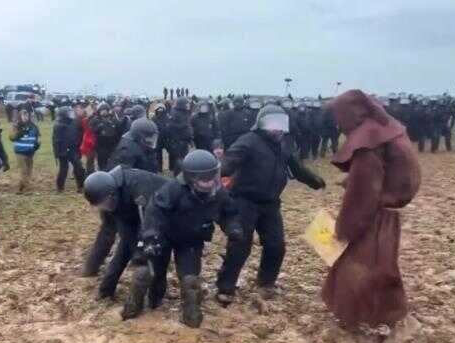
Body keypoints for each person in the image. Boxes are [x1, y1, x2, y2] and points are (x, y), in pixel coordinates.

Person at [323, 90, 421, 343]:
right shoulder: (384, 129)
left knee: (372, 269)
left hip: (376, 216)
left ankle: (400, 323)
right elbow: (390, 172)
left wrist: (344, 229)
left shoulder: (368, 145)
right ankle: (352, 317)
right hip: (386, 211)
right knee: (366, 266)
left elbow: (362, 195)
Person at [215, 104, 326, 304]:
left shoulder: (284, 145)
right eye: (272, 125)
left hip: (270, 204)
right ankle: (226, 287)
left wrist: (315, 181)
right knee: (240, 245)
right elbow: (229, 162)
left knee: (276, 245)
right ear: (261, 124)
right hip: (244, 201)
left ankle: (266, 283)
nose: (277, 129)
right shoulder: (248, 142)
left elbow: (297, 168)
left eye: (281, 125)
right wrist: (212, 177)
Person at [123, 150, 242, 328]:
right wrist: (151, 236)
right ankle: (139, 307)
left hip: (191, 240)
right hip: (164, 236)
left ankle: (191, 316)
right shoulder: (173, 189)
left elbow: (229, 213)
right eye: (204, 180)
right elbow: (155, 213)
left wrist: (233, 228)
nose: (209, 183)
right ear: (191, 178)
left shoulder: (219, 193)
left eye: (212, 177)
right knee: (150, 273)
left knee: (190, 280)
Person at [82, 167, 169, 298]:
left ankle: (155, 298)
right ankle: (105, 291)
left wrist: (140, 252)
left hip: (162, 213)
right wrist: (91, 266)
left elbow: (149, 223)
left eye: (105, 204)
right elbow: (106, 232)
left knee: (154, 256)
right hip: (132, 214)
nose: (105, 208)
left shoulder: (138, 185)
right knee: (124, 248)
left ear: (112, 194)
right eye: (101, 206)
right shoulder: (106, 196)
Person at [52, 106, 85, 193]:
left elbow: (79, 135)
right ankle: (60, 187)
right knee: (63, 169)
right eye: (69, 112)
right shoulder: (58, 125)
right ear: (64, 114)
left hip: (73, 149)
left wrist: (78, 147)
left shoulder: (74, 123)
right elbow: (55, 141)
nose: (71, 114)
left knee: (79, 167)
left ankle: (80, 186)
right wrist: (57, 153)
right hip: (63, 151)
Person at [9, 109, 41, 194]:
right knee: (23, 171)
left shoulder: (33, 126)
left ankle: (21, 188)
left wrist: (36, 146)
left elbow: (38, 138)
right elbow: (11, 137)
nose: (25, 117)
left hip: (30, 152)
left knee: (29, 170)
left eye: (26, 115)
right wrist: (21, 133)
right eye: (23, 115)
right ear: (20, 116)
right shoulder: (16, 125)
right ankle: (27, 189)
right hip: (20, 152)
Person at [90, 102, 123, 170]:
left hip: (112, 145)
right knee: (102, 164)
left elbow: (119, 131)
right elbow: (94, 130)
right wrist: (102, 125)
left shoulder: (113, 119)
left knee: (113, 163)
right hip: (101, 146)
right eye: (102, 110)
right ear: (99, 111)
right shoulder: (95, 120)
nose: (104, 112)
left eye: (106, 110)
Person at [165, 97, 193, 176]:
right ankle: (177, 174)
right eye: (186, 104)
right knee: (178, 159)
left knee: (183, 158)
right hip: (178, 141)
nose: (188, 105)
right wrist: (183, 126)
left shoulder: (185, 112)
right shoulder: (175, 113)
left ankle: (180, 172)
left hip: (184, 140)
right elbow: (171, 127)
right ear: (182, 104)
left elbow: (188, 125)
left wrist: (190, 138)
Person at [77, 105, 96, 176]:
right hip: (88, 141)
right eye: (88, 111)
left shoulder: (92, 119)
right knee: (89, 159)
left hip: (91, 141)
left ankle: (90, 172)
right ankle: (89, 173)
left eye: (90, 110)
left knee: (91, 159)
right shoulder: (84, 120)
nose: (89, 112)